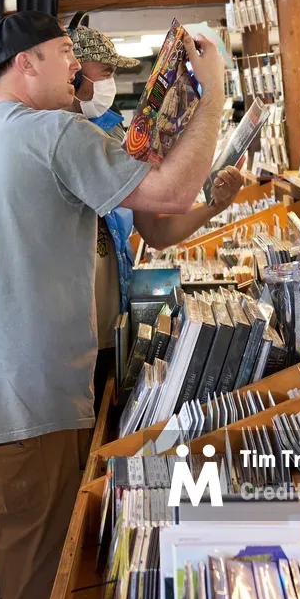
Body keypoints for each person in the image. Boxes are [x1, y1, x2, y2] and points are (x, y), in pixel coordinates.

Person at [0, 10, 225, 599]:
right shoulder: (55, 133)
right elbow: (166, 195)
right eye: (63, 53)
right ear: (26, 64)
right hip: (26, 415)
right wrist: (212, 91)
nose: (77, 66)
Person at [67, 24, 245, 411]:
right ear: (74, 73)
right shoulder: (55, 141)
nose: (112, 83)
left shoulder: (116, 138)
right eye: (107, 72)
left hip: (114, 333)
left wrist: (213, 206)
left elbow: (157, 230)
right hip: (69, 349)